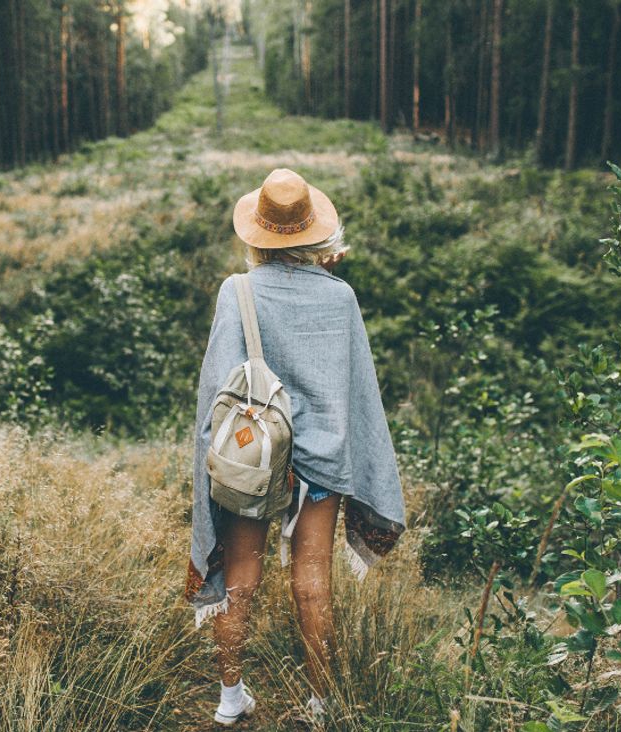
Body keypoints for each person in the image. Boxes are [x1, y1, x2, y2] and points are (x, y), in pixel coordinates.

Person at [184, 168, 407, 727]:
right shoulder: (341, 299)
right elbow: (356, 392)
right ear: (315, 235)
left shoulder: (236, 291)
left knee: (240, 578)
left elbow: (218, 388)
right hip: (322, 464)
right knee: (313, 581)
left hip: (255, 459)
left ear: (258, 233)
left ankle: (230, 700)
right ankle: (321, 703)